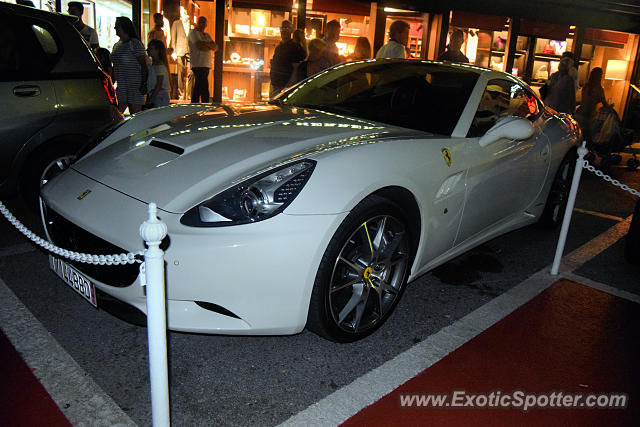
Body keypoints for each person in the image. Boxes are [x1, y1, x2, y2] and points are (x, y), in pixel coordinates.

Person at [111, 16, 148, 114]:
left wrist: (144, 83)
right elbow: (115, 66)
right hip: (122, 84)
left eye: (117, 26)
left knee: (135, 114)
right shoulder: (117, 45)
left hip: (134, 85)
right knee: (118, 113)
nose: (115, 28)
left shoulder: (135, 44)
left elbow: (143, 65)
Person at [269, 20, 306, 97]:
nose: (284, 30)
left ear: (291, 30)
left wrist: (287, 88)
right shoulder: (279, 47)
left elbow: (296, 69)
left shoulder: (294, 47)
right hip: (275, 84)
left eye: (287, 28)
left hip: (284, 87)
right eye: (283, 28)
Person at [188, 16, 217, 103]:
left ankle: (196, 103)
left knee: (200, 85)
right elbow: (200, 46)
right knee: (203, 85)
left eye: (204, 22)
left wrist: (206, 45)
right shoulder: (193, 33)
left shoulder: (207, 35)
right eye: (200, 22)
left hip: (206, 64)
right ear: (197, 23)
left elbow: (215, 47)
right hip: (197, 64)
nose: (202, 24)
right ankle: (203, 102)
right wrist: (209, 45)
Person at [577, 67, 609, 142]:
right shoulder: (599, 88)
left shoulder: (586, 86)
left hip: (580, 112)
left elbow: (586, 99)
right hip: (590, 115)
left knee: (579, 135)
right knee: (587, 137)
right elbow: (604, 102)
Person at [170, 6, 190, 100]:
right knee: (180, 72)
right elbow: (173, 37)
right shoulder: (176, 23)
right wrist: (173, 50)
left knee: (191, 72)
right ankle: (181, 93)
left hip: (190, 50)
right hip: (179, 49)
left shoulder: (191, 24)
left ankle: (189, 94)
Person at [145, 39, 170, 108]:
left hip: (159, 97)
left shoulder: (159, 65)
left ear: (157, 51)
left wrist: (151, 99)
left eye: (150, 48)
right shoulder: (155, 64)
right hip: (158, 96)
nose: (147, 50)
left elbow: (159, 84)